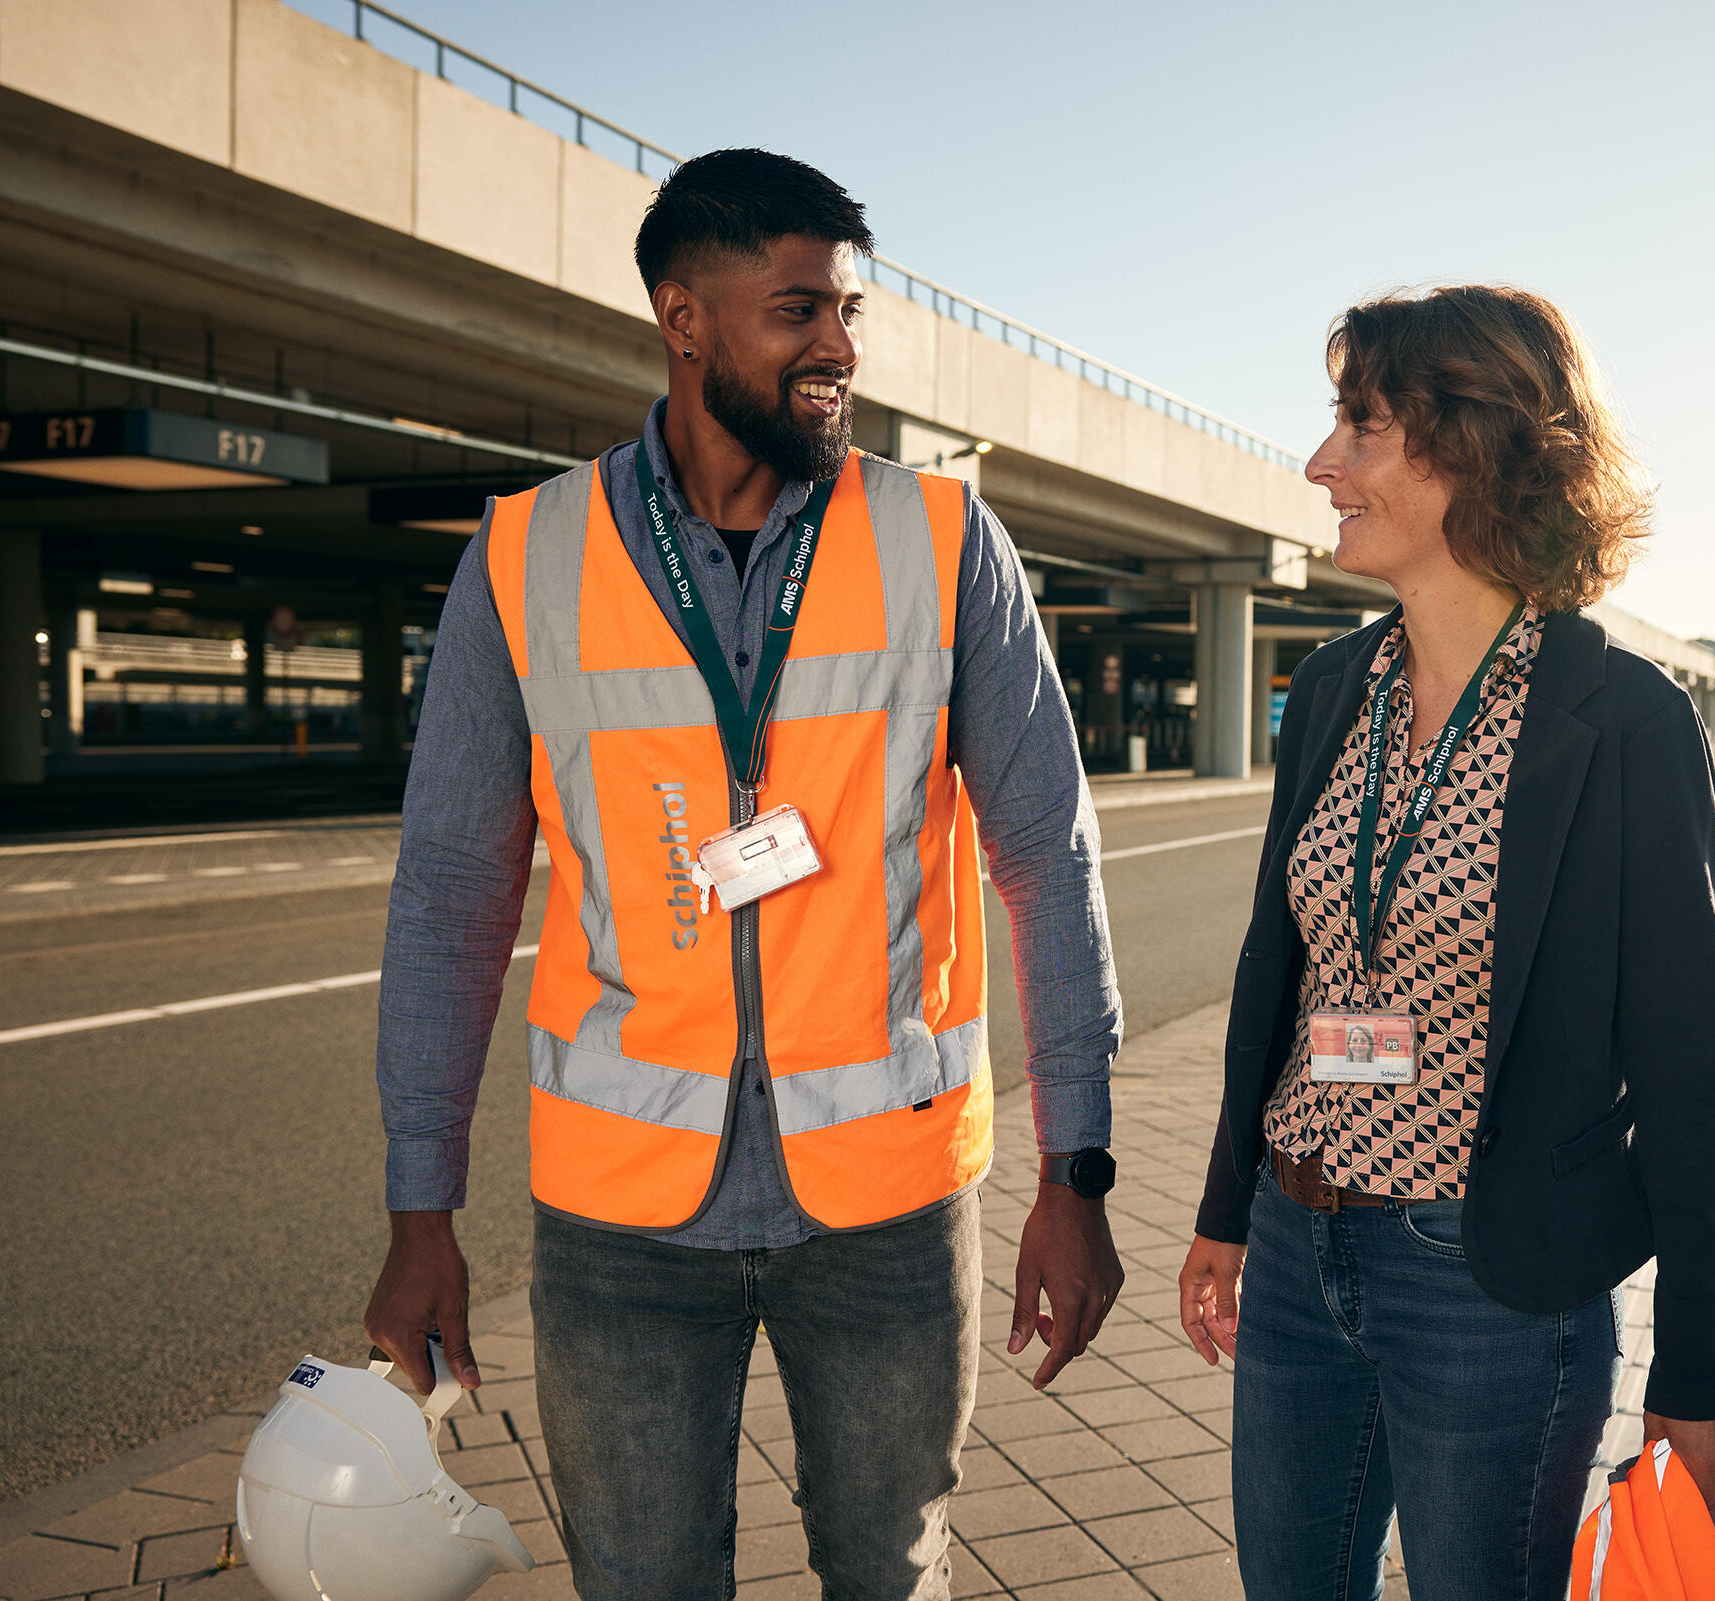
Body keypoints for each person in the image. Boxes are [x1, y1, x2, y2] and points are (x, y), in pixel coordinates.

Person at [363, 149, 1126, 1600]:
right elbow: (452, 894)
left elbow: (1049, 857)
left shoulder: (947, 541)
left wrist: (1074, 1174)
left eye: (847, 309)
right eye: (796, 310)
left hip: (891, 1205)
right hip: (620, 1226)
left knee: (891, 1575)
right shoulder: (526, 555)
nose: (837, 345)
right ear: (684, 316)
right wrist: (421, 1213)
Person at [1175, 284, 1715, 1601]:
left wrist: (1701, 1359)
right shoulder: (1334, 686)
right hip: (1296, 1242)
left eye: (1362, 427)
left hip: (1488, 1281)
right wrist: (1228, 1209)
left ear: (1476, 445)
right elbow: (1281, 978)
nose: (1323, 463)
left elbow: (1689, 1064)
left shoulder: (1623, 721)